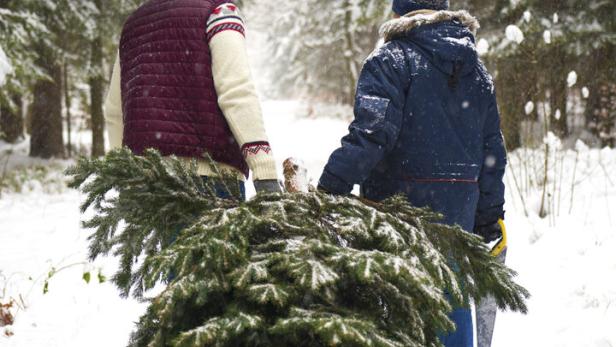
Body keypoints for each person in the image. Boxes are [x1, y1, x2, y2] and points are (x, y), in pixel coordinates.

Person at [318, 0, 508, 346]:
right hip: (457, 222)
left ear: (399, 11)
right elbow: (492, 151)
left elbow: (372, 135)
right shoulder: (476, 71)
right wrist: (489, 218)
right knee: (451, 301)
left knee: (399, 314)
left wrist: (330, 188)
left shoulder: (390, 60)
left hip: (399, 218)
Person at [104, 0, 281, 198]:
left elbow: (114, 110)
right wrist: (264, 168)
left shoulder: (134, 24)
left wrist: (122, 171)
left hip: (147, 182)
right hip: (210, 178)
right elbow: (236, 91)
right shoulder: (219, 11)